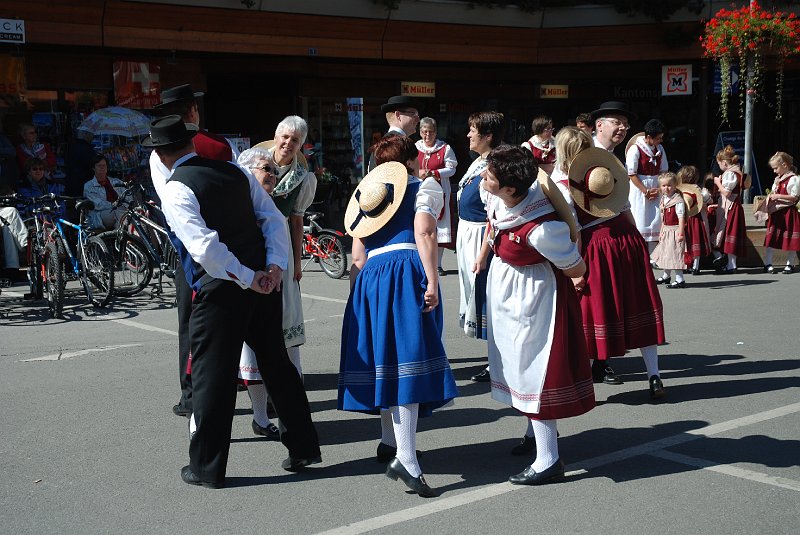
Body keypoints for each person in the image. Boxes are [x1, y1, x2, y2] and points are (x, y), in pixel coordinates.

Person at [146, 115, 321, 488]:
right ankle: (304, 446)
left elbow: (205, 248)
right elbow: (273, 220)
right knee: (278, 365)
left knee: (213, 377)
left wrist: (250, 277)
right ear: (191, 144)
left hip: (222, 288)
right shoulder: (235, 173)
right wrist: (272, 267)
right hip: (258, 281)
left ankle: (208, 467)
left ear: (160, 155)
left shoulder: (176, 189)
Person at [339, 136, 457, 498]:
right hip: (405, 271)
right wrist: (433, 280)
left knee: (384, 357)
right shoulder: (424, 187)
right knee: (409, 359)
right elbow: (424, 231)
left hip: (371, 278)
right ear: (411, 160)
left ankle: (389, 441)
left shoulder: (368, 197)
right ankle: (405, 458)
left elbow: (357, 255)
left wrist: (357, 296)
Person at [473, 145, 593, 485]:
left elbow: (576, 267)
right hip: (509, 293)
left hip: (537, 300)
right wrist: (486, 254)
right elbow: (493, 225)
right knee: (516, 364)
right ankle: (533, 434)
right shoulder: (500, 199)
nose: (484, 177)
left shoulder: (542, 228)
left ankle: (548, 459)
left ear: (511, 188)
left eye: (490, 176)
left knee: (535, 372)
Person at [149, 83, 237, 419]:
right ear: (194, 112)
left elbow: (168, 201)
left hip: (190, 244)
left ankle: (191, 395)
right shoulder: (218, 145)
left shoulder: (160, 154)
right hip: (231, 241)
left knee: (191, 322)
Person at [226, 145, 314, 440]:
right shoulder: (237, 207)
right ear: (247, 172)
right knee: (253, 354)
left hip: (280, 285)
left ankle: (290, 420)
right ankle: (261, 418)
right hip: (248, 288)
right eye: (267, 169)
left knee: (288, 350)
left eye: (275, 172)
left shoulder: (273, 210)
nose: (273, 175)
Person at [566, 144, 666, 399]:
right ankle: (654, 375)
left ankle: (585, 387)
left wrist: (575, 269)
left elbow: (576, 234)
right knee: (639, 305)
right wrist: (640, 249)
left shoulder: (573, 192)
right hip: (630, 242)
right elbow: (630, 219)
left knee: (592, 312)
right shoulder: (614, 188)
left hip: (598, 247)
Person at [456, 111, 505, 383]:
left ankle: (496, 361)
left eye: (473, 130)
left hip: (480, 239)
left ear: (487, 136)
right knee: (479, 298)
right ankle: (494, 359)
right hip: (469, 234)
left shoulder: (493, 167)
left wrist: (483, 254)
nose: (468, 135)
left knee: (487, 301)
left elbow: (494, 215)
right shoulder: (479, 162)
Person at [254, 116, 318, 283]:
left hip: (281, 243)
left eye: (295, 140)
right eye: (285, 137)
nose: (288, 143)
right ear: (276, 138)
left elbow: (297, 222)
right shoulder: (254, 164)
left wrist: (297, 262)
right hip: (252, 239)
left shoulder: (303, 178)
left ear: (300, 145)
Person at [416, 117, 458, 276]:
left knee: (439, 229)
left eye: (431, 132)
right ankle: (423, 262)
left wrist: (434, 173)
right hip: (420, 193)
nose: (427, 135)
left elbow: (452, 169)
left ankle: (438, 264)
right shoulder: (416, 148)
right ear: (420, 132)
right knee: (423, 227)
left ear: (435, 132)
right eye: (424, 132)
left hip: (440, 193)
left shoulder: (444, 148)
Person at [625, 119, 668, 253]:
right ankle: (639, 253)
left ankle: (653, 254)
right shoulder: (635, 149)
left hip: (656, 187)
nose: (660, 141)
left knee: (656, 220)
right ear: (649, 137)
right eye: (658, 138)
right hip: (639, 189)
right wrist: (645, 191)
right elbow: (631, 174)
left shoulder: (660, 149)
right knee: (640, 219)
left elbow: (663, 171)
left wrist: (660, 188)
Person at [711, 145, 747, 274]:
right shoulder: (736, 171)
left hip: (731, 207)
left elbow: (726, 193)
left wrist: (717, 183)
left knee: (729, 234)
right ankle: (731, 264)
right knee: (729, 235)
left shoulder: (730, 173)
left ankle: (732, 265)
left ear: (724, 162)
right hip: (733, 206)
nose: (719, 166)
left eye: (719, 163)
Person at [762, 151, 799, 273]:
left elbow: (794, 197)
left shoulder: (793, 179)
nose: (774, 171)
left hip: (788, 211)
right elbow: (774, 192)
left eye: (776, 168)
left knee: (791, 239)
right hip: (777, 212)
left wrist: (777, 196)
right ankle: (767, 263)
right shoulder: (777, 179)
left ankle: (790, 264)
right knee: (771, 237)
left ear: (784, 165)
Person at [651, 172, 687, 289]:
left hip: (675, 230)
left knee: (675, 255)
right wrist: (662, 230)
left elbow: (681, 217)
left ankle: (680, 279)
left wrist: (681, 233)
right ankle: (666, 275)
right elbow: (663, 218)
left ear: (675, 185)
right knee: (666, 254)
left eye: (669, 185)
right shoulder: (664, 199)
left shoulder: (678, 201)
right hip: (666, 230)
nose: (666, 188)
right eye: (663, 186)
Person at [367, 95, 420, 171]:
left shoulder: (379, 146)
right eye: (413, 114)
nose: (418, 119)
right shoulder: (402, 145)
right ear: (398, 115)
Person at [676, 165, 711, 275]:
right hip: (696, 218)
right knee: (696, 240)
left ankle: (688, 264)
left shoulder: (679, 190)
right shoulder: (698, 189)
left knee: (688, 241)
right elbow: (707, 199)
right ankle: (695, 265)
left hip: (685, 218)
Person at [83, 154, 126, 230]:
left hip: (119, 210)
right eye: (99, 166)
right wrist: (116, 205)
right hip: (99, 216)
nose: (102, 168)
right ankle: (123, 237)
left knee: (132, 214)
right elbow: (98, 204)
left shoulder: (116, 181)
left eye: (104, 165)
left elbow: (127, 195)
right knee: (118, 212)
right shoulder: (89, 186)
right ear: (94, 168)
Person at [64, 128, 97, 197]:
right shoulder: (88, 150)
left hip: (71, 183)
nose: (93, 137)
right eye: (91, 135)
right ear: (87, 136)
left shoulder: (72, 147)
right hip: (83, 184)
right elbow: (92, 167)